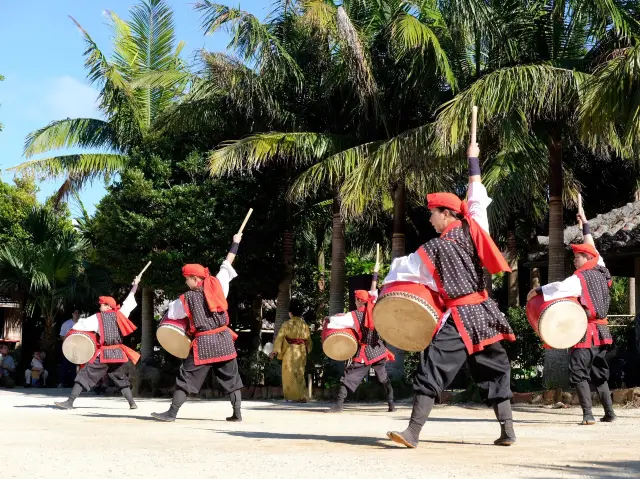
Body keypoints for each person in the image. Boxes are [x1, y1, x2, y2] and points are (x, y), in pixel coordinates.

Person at [385, 140, 516, 448]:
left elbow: (404, 271)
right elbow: (476, 200)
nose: (430, 219)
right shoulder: (474, 229)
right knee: (495, 368)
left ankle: (412, 433)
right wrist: (474, 162)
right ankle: (508, 431)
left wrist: (385, 286)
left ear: (446, 214)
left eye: (433, 213)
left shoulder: (434, 248)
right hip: (485, 313)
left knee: (433, 367)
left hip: (459, 317)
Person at [527, 211, 616, 425]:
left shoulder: (579, 278)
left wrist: (537, 291)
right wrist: (585, 226)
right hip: (603, 334)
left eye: (577, 257)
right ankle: (610, 413)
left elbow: (559, 288)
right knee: (600, 375)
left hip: (584, 332)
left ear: (586, 259)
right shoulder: (603, 271)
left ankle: (588, 415)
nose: (575, 261)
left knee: (579, 373)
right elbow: (594, 249)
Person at [151, 249, 243, 422]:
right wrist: (235, 244)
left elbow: (173, 314)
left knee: (186, 378)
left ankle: (172, 413)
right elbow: (227, 264)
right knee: (231, 378)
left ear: (195, 278)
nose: (186, 282)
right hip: (224, 340)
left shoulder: (186, 299)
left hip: (204, 344)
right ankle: (237, 414)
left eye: (187, 279)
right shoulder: (219, 284)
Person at [54, 278, 140, 410]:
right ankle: (132, 404)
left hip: (105, 354)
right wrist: (135, 285)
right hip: (118, 354)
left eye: (102, 304)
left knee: (85, 374)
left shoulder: (97, 318)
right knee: (120, 377)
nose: (100, 306)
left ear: (108, 306)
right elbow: (129, 300)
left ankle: (70, 402)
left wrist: (69, 335)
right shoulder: (121, 314)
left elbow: (80, 326)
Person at [325, 289, 396, 413]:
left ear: (358, 300)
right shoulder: (376, 312)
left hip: (365, 353)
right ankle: (391, 404)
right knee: (383, 378)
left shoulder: (353, 316)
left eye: (356, 299)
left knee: (348, 377)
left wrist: (329, 318)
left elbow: (335, 323)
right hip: (378, 350)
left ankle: (338, 405)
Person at [270, 299, 312, 402]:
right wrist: (307, 349)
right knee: (300, 373)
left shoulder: (287, 324)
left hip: (290, 350)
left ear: (290, 313)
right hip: (301, 350)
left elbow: (280, 338)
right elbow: (308, 340)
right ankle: (302, 396)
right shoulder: (304, 324)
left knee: (289, 373)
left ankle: (292, 397)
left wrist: (275, 351)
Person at [58, 310, 80, 387]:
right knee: (65, 364)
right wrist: (67, 344)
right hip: (67, 347)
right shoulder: (66, 324)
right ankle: (61, 382)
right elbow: (62, 335)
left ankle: (74, 383)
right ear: (72, 314)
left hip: (78, 348)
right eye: (75, 313)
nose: (76, 314)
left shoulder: (82, 324)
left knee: (75, 365)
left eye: (78, 313)